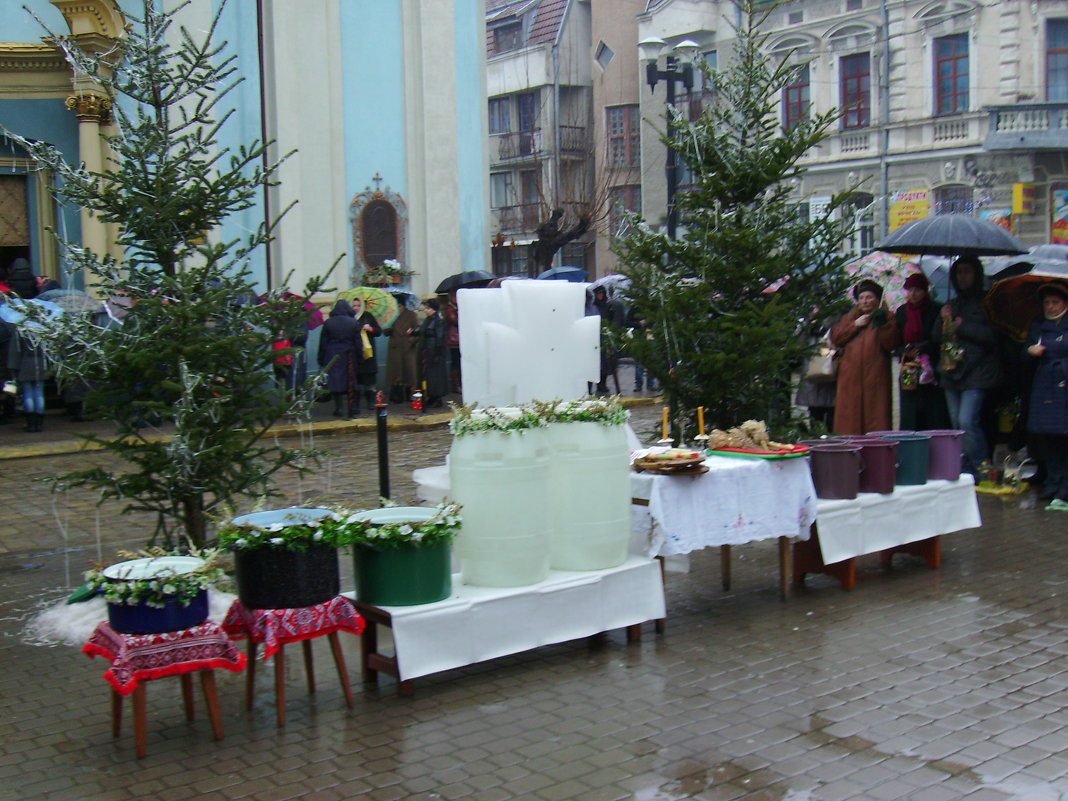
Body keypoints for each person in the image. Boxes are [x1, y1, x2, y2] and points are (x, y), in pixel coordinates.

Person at [931, 255, 1002, 477]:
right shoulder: (951, 303)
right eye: (959, 272)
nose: (963, 277)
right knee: (956, 424)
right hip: (952, 372)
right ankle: (966, 467)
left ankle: (981, 467)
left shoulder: (987, 301)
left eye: (967, 271)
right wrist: (943, 320)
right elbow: (935, 337)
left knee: (967, 420)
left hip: (978, 372)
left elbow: (994, 336)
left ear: (976, 274)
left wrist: (964, 326)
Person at [830, 279, 901, 435]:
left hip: (875, 378)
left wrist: (882, 324)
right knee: (849, 420)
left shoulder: (887, 317)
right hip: (850, 379)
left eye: (869, 297)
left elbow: (891, 343)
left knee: (876, 417)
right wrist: (855, 325)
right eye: (862, 298)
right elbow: (836, 338)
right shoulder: (850, 317)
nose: (865, 301)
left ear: (877, 299)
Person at [1024, 282, 1068, 509]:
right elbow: (1027, 349)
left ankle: (1065, 487)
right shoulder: (1039, 325)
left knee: (1065, 437)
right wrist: (1031, 351)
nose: (1050, 307)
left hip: (1065, 384)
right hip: (1046, 386)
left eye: (1055, 302)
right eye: (1047, 303)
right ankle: (1052, 483)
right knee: (1049, 437)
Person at [894, 272, 950, 430]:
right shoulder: (902, 312)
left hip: (930, 367)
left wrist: (921, 348)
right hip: (909, 368)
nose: (913, 294)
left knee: (932, 409)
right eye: (910, 290)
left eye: (917, 290)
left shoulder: (936, 309)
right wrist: (904, 351)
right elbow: (896, 341)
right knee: (910, 408)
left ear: (925, 291)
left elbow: (938, 338)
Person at [318, 298, 381, 418]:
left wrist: (321, 359)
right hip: (349, 355)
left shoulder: (329, 323)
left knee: (335, 381)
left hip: (333, 355)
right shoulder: (353, 323)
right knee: (350, 382)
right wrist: (359, 357)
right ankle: (351, 408)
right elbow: (358, 342)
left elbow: (323, 343)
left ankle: (338, 407)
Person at [0, 319, 51, 432]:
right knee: (39, 394)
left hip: (24, 365)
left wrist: (13, 369)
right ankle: (39, 423)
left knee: (28, 394)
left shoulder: (20, 331)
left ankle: (31, 422)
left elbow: (14, 353)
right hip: (41, 365)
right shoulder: (42, 330)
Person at [384, 294, 421, 403]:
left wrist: (411, 340)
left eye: (399, 306)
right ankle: (396, 396)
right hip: (395, 349)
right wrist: (389, 327)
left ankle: (410, 394)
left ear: (403, 306)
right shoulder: (391, 316)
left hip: (407, 349)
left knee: (409, 372)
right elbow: (385, 332)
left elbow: (418, 332)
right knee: (395, 373)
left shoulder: (411, 315)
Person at [591, 286, 624, 394]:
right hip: (595, 337)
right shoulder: (593, 306)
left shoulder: (608, 306)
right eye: (598, 294)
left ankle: (603, 384)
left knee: (606, 363)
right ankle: (597, 384)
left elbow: (613, 319)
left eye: (602, 294)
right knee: (596, 362)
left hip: (606, 336)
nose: (600, 296)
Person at [417, 298, 449, 409]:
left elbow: (440, 338)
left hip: (435, 352)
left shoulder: (438, 319)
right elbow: (424, 331)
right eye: (425, 308)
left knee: (436, 376)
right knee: (429, 375)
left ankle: (437, 397)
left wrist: (437, 354)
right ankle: (431, 396)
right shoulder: (429, 319)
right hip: (428, 351)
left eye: (428, 308)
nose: (425, 310)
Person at [441, 292, 461, 395]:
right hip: (454, 340)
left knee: (459, 363)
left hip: (459, 339)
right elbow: (456, 321)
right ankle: (456, 385)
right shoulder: (449, 309)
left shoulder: (455, 308)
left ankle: (459, 384)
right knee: (456, 363)